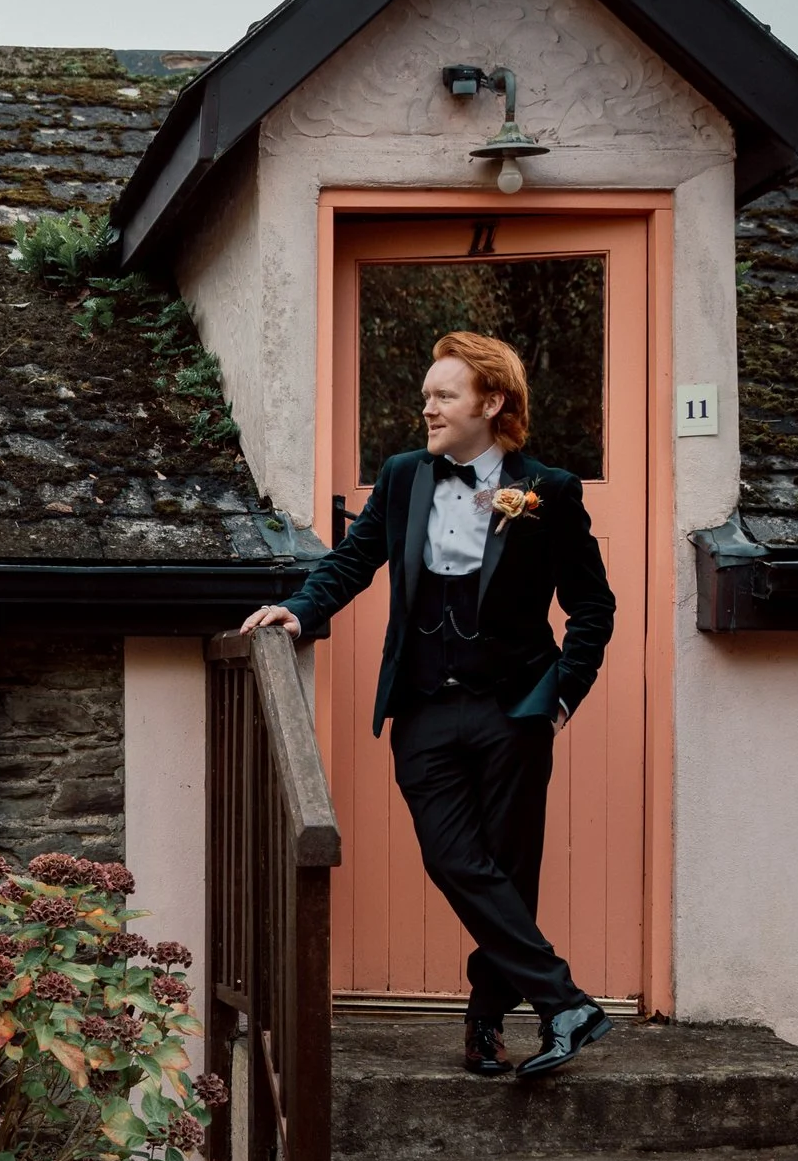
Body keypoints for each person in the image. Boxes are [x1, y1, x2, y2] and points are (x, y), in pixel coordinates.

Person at [242, 331, 616, 1078]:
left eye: (444, 395)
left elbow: (593, 608)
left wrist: (560, 695)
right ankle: (566, 1001)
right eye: (426, 396)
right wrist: (298, 609)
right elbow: (353, 560)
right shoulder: (405, 477)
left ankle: (486, 1023)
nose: (428, 409)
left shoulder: (549, 490)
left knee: (507, 868)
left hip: (514, 709)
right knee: (454, 859)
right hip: (422, 707)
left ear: (493, 402)